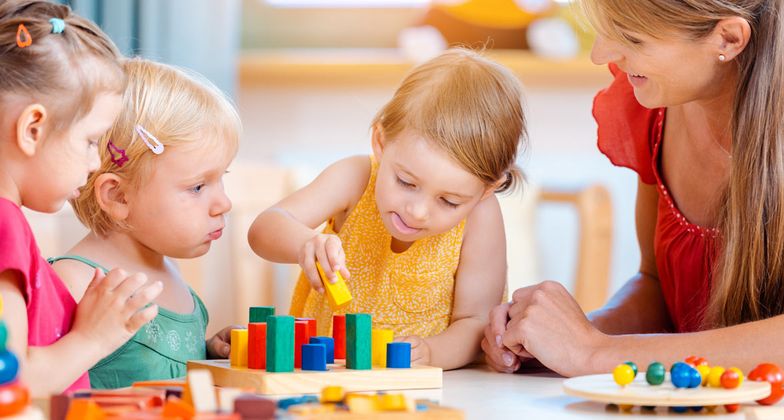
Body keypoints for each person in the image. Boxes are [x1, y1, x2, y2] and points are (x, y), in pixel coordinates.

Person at [482, 0, 784, 385]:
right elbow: (656, 287)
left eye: (631, 38)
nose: (601, 55)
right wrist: (560, 341)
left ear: (729, 39)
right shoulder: (658, 109)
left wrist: (594, 353)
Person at [249, 48, 527, 370]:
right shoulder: (356, 178)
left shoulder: (481, 216)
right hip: (323, 375)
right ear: (381, 142)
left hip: (425, 390)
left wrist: (433, 353)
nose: (419, 211)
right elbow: (265, 228)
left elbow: (476, 320)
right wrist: (303, 243)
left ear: (486, 189)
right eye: (406, 182)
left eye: (449, 201)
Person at [0, 0, 162, 396]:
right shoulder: (5, 226)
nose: (96, 162)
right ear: (33, 129)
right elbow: (11, 379)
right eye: (91, 141)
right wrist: (95, 338)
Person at [51, 57, 242, 388]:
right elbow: (41, 384)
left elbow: (155, 369)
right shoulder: (75, 281)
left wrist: (207, 353)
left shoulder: (170, 271)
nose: (224, 203)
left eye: (221, 179)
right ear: (118, 197)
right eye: (198, 186)